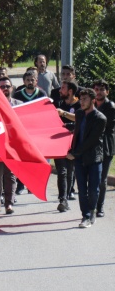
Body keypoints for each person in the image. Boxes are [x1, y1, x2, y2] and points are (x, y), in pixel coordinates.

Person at [66, 89, 106, 228]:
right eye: (81, 99)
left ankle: (93, 210)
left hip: (94, 158)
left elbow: (91, 141)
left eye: (85, 100)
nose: (81, 102)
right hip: (79, 158)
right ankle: (86, 216)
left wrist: (75, 153)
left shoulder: (100, 118)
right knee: (82, 189)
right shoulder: (79, 114)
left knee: (93, 190)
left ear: (93, 100)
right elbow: (78, 132)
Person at [0, 77, 22, 214]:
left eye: (7, 86)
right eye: (2, 86)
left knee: (11, 175)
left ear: (12, 88)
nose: (5, 89)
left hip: (13, 146)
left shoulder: (20, 105)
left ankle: (9, 203)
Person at [54, 81, 81, 211]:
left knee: (70, 171)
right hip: (59, 143)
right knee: (62, 171)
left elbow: (80, 118)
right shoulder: (59, 104)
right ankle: (63, 200)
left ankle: (68, 194)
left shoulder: (80, 105)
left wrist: (63, 114)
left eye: (63, 88)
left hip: (74, 144)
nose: (60, 90)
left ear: (70, 91)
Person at [93, 80, 115, 218]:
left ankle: (100, 207)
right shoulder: (91, 104)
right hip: (93, 146)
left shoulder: (110, 106)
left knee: (102, 179)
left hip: (106, 146)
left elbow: (104, 127)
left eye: (102, 89)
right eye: (96, 89)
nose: (99, 92)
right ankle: (92, 205)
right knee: (92, 177)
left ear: (107, 92)